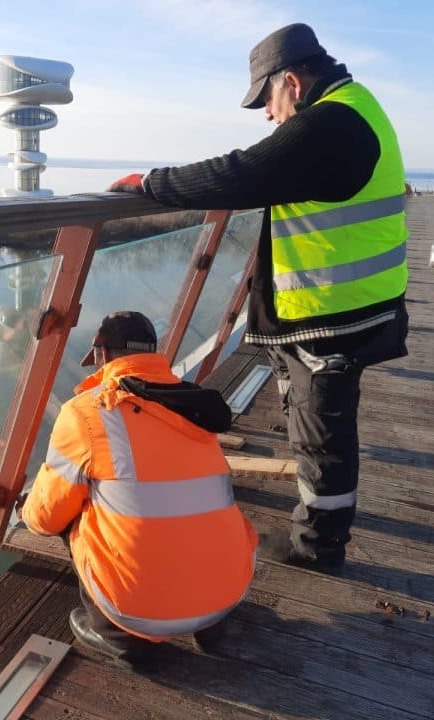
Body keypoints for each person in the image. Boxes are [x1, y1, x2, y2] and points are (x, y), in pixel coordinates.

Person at [108, 23, 409, 572]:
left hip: (331, 315)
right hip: (353, 304)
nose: (268, 116)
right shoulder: (358, 107)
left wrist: (150, 183)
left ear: (291, 81)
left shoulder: (329, 124)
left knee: (324, 440)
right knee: (323, 430)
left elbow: (240, 174)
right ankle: (319, 535)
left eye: (266, 101)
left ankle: (316, 549)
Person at [20, 311, 258, 660]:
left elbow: (46, 517)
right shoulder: (193, 405)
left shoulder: (87, 413)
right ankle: (208, 625)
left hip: (138, 611)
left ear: (101, 354)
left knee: (74, 511)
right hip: (228, 594)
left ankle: (119, 638)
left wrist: (24, 510)